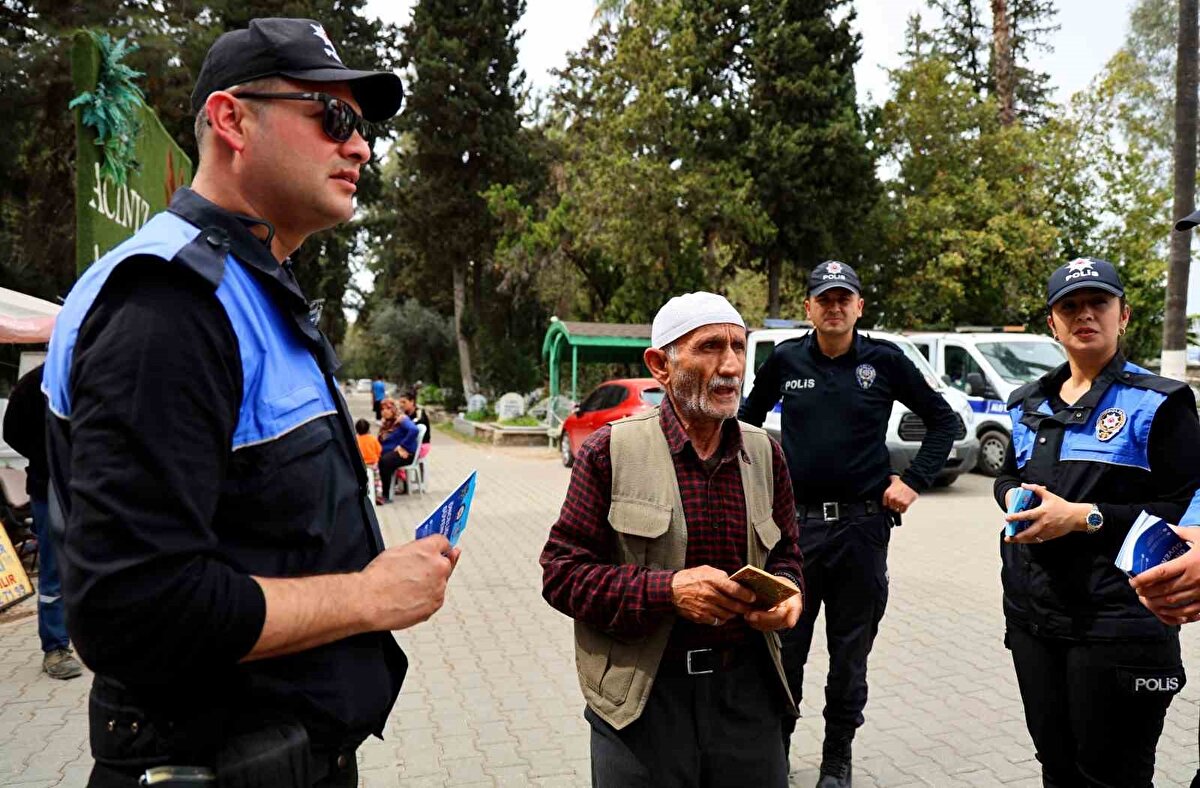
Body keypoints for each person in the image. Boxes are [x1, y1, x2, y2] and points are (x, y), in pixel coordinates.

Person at [41, 18, 460, 787]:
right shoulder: (168, 307)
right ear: (233, 120)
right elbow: (131, 610)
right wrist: (368, 596)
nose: (359, 146)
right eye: (331, 117)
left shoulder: (247, 284)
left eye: (361, 127)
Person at [541, 291, 804, 787]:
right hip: (644, 703)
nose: (731, 366)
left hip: (747, 698)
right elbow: (561, 574)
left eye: (739, 348)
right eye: (709, 348)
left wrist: (789, 595)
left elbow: (788, 553)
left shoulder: (767, 454)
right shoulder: (609, 452)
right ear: (660, 365)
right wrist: (667, 592)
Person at [739, 261, 956, 787]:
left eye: (845, 298)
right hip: (796, 532)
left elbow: (943, 419)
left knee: (849, 653)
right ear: (808, 307)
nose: (834, 307)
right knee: (785, 647)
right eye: (824, 299)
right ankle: (777, 749)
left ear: (859, 307)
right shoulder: (786, 359)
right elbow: (744, 423)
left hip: (862, 531)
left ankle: (837, 757)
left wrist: (914, 481)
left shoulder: (884, 360)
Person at [994, 257, 1200, 787]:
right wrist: (1013, 496)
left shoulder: (1160, 402)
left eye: (1098, 303)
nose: (1085, 315)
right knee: (1057, 768)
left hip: (1119, 623)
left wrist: (1083, 518)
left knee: (1113, 776)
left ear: (1123, 315)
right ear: (1053, 323)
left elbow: (1183, 507)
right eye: (1070, 306)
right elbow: (1008, 476)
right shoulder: (1027, 402)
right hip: (1033, 618)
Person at [2, 364, 83, 680]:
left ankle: (103, 638)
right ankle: (55, 648)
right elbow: (13, 432)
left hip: (94, 485)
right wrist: (47, 456)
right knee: (52, 570)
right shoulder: (34, 383)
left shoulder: (95, 371)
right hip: (49, 485)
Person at [377, 398, 419, 501]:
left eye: (388, 408)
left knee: (385, 461)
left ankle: (386, 495)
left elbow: (414, 430)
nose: (384, 411)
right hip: (392, 453)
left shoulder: (402, 419)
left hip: (406, 454)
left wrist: (402, 446)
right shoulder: (387, 423)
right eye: (382, 409)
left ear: (394, 409)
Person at [397, 390, 432, 460]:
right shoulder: (405, 413)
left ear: (412, 402)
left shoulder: (419, 413)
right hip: (410, 443)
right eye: (400, 402)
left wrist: (405, 420)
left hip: (421, 445)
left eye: (404, 402)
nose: (401, 405)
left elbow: (415, 427)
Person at [355, 418, 384, 504]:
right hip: (372, 464)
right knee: (377, 480)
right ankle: (379, 496)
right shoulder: (372, 439)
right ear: (368, 429)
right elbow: (379, 450)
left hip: (361, 465)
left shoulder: (356, 440)